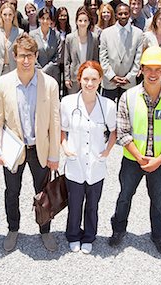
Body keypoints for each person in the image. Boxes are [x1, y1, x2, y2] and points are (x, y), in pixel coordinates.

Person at [108, 46, 161, 255]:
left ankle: (158, 235)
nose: (153, 74)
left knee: (158, 200)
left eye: (158, 69)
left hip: (160, 161)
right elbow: (123, 132)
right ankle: (118, 229)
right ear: (141, 69)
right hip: (133, 160)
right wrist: (140, 157)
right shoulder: (128, 97)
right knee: (125, 196)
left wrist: (159, 159)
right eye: (148, 69)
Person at [0, 33, 60, 252]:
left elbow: (55, 122)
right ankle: (13, 229)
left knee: (43, 193)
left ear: (36, 55)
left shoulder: (48, 84)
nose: (26, 60)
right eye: (22, 56)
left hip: (40, 149)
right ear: (14, 56)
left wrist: (54, 155)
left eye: (30, 55)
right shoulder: (3, 83)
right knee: (12, 192)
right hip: (14, 150)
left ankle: (45, 230)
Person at [60, 61, 116, 254]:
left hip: (96, 163)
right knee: (74, 204)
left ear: (100, 80)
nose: (89, 83)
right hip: (75, 163)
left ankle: (89, 236)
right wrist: (65, 147)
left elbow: (114, 131)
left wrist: (107, 151)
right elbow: (62, 130)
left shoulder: (108, 106)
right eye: (86, 79)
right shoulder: (68, 103)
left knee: (92, 205)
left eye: (94, 79)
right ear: (79, 80)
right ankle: (73, 235)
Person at [99, 3, 143, 102]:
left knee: (127, 113)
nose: (123, 16)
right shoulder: (106, 33)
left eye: (126, 13)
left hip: (129, 82)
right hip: (109, 81)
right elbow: (103, 58)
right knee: (108, 112)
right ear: (115, 14)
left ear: (130, 14)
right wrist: (112, 77)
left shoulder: (138, 33)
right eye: (120, 14)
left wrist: (129, 77)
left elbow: (138, 59)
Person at [0, 2, 24, 89]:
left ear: (13, 15)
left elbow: (21, 53)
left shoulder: (20, 32)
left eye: (10, 14)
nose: (7, 17)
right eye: (5, 14)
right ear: (1, 15)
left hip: (14, 70)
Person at [64, 6, 99, 94]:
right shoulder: (70, 38)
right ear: (76, 21)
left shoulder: (94, 38)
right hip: (74, 78)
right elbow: (67, 60)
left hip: (89, 77)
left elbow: (96, 59)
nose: (82, 23)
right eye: (80, 20)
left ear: (89, 22)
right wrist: (67, 78)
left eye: (85, 21)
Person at [29, 7, 61, 84]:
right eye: (43, 18)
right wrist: (39, 70)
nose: (45, 21)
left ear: (51, 20)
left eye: (48, 18)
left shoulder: (56, 35)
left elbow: (58, 56)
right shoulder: (32, 35)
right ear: (39, 19)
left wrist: (45, 69)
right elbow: (31, 54)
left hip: (53, 74)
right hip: (37, 74)